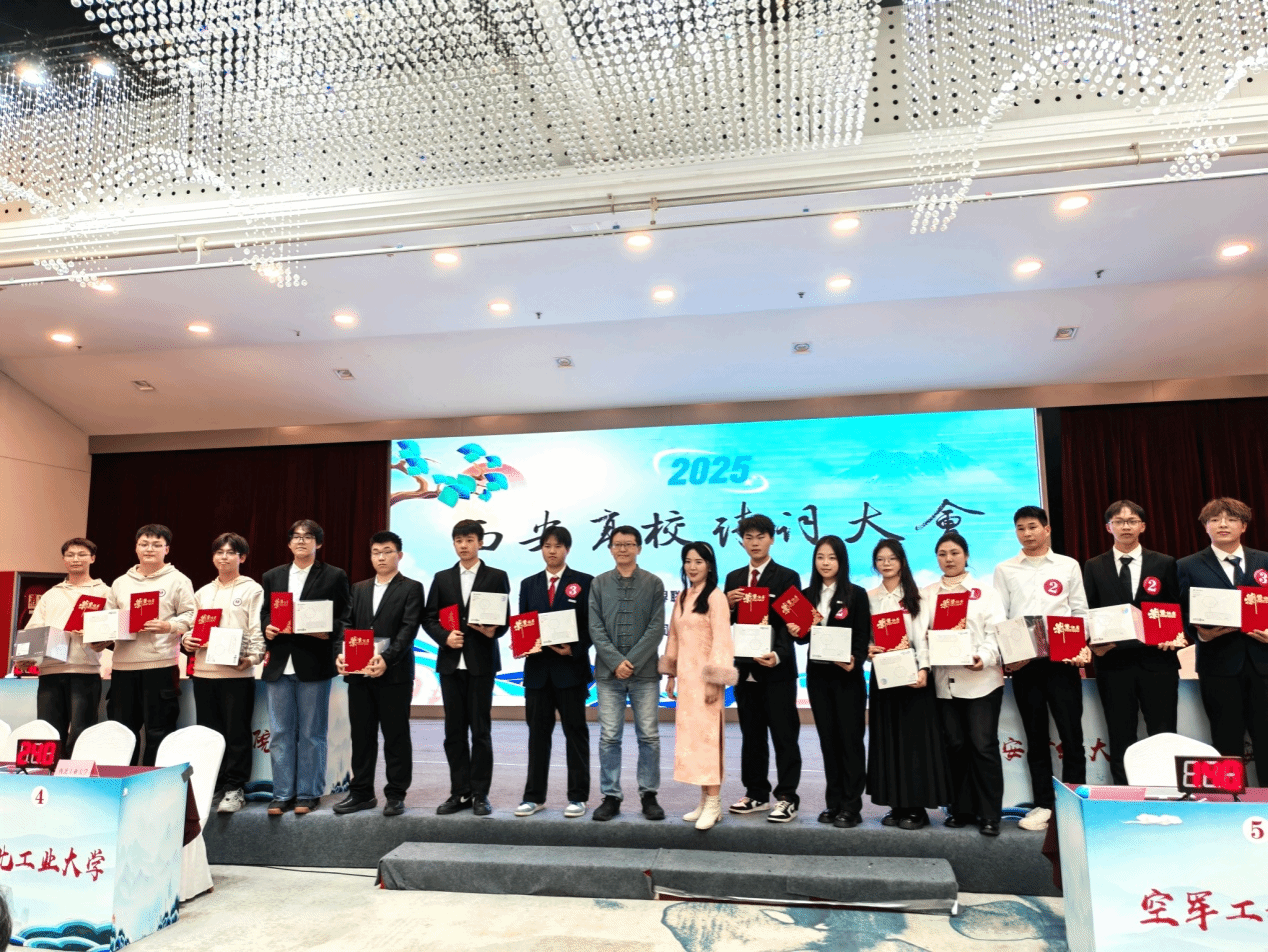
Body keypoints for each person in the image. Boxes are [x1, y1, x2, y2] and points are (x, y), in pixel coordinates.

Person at [993, 505, 1089, 832]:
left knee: (1071, 736)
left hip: (1063, 661)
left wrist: (1080, 645)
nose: (1027, 533)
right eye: (1020, 528)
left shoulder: (1068, 565)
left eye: (1033, 526)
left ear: (1047, 529)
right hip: (1025, 665)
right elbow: (1001, 616)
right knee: (1035, 737)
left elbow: (1080, 611)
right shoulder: (1005, 569)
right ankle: (1044, 805)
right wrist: (1009, 656)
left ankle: (1074, 803)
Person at [1083, 500, 1184, 785]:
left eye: (1131, 521)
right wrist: (1091, 641)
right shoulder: (1093, 566)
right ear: (1108, 527)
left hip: (1158, 662)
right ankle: (1124, 794)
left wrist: (1174, 634)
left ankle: (1167, 790)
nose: (1125, 526)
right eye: (1118, 521)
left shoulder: (1164, 562)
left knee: (1164, 733)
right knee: (1120, 733)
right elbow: (1088, 610)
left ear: (1143, 526)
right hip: (1113, 663)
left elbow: (1175, 607)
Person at [261, 519, 352, 816]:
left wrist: (328, 631)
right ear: (289, 543)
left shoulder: (334, 575)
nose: (301, 541)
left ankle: (308, 793)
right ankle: (282, 793)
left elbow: (345, 616)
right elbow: (265, 613)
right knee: (280, 733)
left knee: (312, 733)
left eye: (308, 536)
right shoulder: (272, 576)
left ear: (319, 543)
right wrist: (267, 627)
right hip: (279, 664)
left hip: (314, 662)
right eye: (296, 536)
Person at [422, 519, 510, 817]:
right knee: (454, 732)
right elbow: (429, 617)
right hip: (450, 664)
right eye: (459, 540)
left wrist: (493, 630)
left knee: (481, 731)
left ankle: (480, 794)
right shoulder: (442, 578)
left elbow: (504, 620)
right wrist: (444, 637)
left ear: (480, 543)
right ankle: (459, 792)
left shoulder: (496, 576)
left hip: (481, 663)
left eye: (469, 540)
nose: (464, 545)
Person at [921, 532, 1007, 836]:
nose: (949, 559)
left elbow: (995, 633)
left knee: (982, 746)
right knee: (954, 746)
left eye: (955, 553)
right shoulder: (926, 594)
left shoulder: (985, 593)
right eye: (942, 554)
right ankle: (960, 809)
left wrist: (983, 657)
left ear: (966, 555)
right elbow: (919, 634)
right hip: (944, 683)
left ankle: (989, 814)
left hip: (981, 680)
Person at [1177, 497, 1268, 786]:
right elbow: (1181, 612)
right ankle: (1231, 803)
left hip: (1263, 664)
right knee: (1225, 739)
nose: (1223, 524)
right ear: (1206, 527)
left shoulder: (1265, 560)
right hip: (1218, 664)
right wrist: (1200, 634)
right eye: (1215, 519)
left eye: (1231, 519)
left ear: (1244, 526)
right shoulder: (1187, 565)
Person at [334, 530, 424, 817]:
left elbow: (408, 629)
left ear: (399, 555)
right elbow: (345, 625)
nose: (381, 557)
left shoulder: (412, 588)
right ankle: (361, 793)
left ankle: (396, 794)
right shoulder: (358, 588)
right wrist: (340, 654)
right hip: (359, 673)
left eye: (387, 551)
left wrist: (386, 659)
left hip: (394, 675)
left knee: (396, 736)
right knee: (361, 736)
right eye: (376, 552)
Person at [784, 535, 870, 828]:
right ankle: (833, 803)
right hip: (818, 678)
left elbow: (862, 636)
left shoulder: (856, 594)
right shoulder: (806, 595)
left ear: (842, 561)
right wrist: (795, 630)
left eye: (832, 557)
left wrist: (856, 659)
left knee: (850, 742)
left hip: (847, 678)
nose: (825, 563)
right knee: (828, 742)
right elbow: (803, 639)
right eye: (820, 557)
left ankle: (851, 806)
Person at [723, 514, 804, 823]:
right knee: (752, 735)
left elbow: (792, 623)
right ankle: (756, 793)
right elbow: (726, 623)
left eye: (760, 537)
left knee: (784, 735)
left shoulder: (787, 577)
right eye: (749, 537)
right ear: (742, 542)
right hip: (744, 671)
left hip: (777, 670)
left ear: (772, 539)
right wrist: (727, 604)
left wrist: (779, 654)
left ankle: (787, 797)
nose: (754, 543)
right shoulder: (733, 578)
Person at [865, 539, 949, 829]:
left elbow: (923, 636)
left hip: (913, 677)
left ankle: (916, 809)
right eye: (880, 559)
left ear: (902, 561)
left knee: (914, 743)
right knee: (888, 740)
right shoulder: (869, 597)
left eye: (892, 558)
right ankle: (896, 805)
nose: (886, 564)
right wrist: (867, 648)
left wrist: (924, 668)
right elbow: (866, 637)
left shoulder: (917, 596)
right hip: (884, 677)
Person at [514, 525, 594, 819]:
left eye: (558, 546)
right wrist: (522, 643)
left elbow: (592, 626)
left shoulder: (584, 582)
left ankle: (578, 797)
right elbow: (524, 623)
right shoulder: (529, 584)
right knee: (537, 736)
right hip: (537, 673)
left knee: (576, 734)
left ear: (567, 550)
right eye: (547, 546)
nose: (552, 551)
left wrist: (574, 649)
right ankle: (533, 797)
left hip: (570, 671)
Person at [588, 525, 667, 822]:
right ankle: (611, 796)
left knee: (649, 736)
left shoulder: (653, 583)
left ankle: (649, 795)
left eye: (629, 544)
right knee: (609, 737)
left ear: (639, 548)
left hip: (644, 674)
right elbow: (595, 627)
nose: (623, 549)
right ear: (610, 549)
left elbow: (656, 628)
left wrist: (630, 662)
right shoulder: (598, 583)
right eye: (617, 544)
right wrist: (615, 662)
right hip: (608, 676)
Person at [182, 533, 265, 814]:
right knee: (209, 733)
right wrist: (187, 640)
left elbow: (256, 629)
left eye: (231, 552)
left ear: (242, 557)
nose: (224, 557)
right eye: (219, 552)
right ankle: (211, 784)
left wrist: (253, 657)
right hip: (204, 672)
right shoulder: (203, 592)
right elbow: (192, 629)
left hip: (236, 674)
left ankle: (234, 788)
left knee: (236, 733)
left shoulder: (252, 589)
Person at [660, 541, 738, 830]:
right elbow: (674, 637)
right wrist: (670, 674)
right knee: (692, 741)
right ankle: (704, 800)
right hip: (687, 681)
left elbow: (722, 640)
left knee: (708, 740)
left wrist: (715, 681)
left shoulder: (716, 597)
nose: (692, 567)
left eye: (699, 562)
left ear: (709, 566)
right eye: (688, 561)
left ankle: (715, 802)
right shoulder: (683, 596)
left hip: (706, 682)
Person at [107, 524, 197, 766]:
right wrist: (100, 636)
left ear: (167, 549)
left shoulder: (179, 580)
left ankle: (153, 781)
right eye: (144, 544)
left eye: (157, 545)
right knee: (121, 731)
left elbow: (191, 615)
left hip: (160, 665)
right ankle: (121, 779)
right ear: (136, 548)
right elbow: (108, 618)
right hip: (123, 667)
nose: (149, 549)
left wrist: (168, 626)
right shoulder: (120, 583)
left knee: (160, 731)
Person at [23, 538, 110, 753]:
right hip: (50, 670)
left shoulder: (105, 592)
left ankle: (74, 770)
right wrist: (25, 656)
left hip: (84, 669)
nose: (75, 559)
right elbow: (33, 629)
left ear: (93, 558)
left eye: (82, 554)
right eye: (70, 555)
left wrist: (96, 637)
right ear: (64, 560)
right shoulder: (51, 594)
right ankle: (50, 771)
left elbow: (111, 631)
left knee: (82, 730)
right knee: (48, 731)